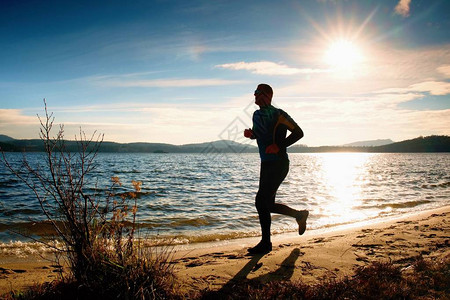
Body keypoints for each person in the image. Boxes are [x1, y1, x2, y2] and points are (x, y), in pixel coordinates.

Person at [243, 83, 309, 254]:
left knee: (260, 201)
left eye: (258, 92)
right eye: (255, 92)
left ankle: (266, 243)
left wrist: (279, 146)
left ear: (268, 95)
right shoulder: (256, 115)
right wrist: (252, 135)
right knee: (267, 204)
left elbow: (299, 133)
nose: (255, 95)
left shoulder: (279, 114)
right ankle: (299, 215)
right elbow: (259, 134)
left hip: (279, 163)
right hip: (265, 163)